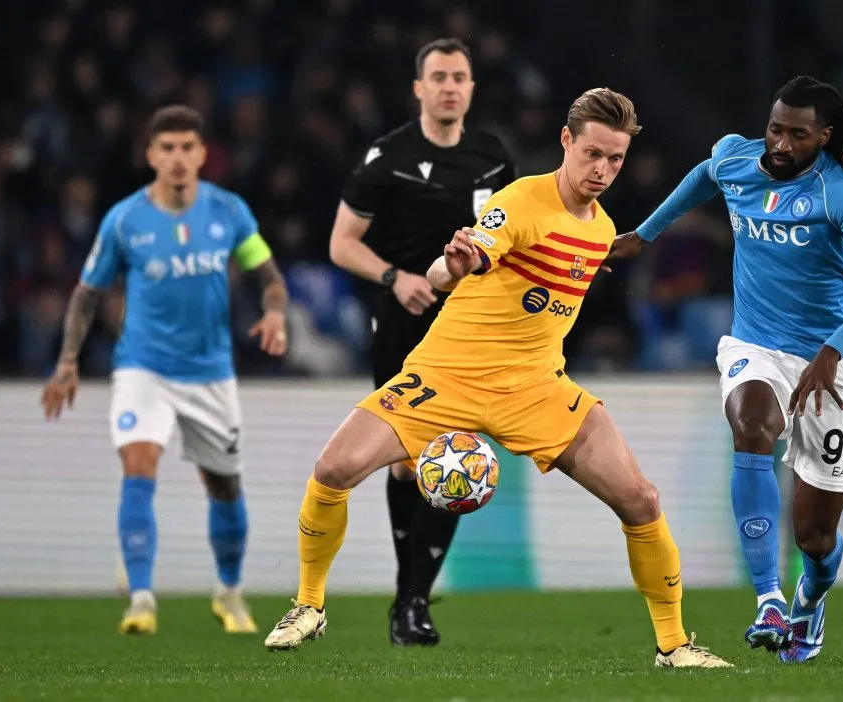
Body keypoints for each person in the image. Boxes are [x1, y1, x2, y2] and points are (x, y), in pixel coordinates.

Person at [263, 87, 731, 669]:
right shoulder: (520, 200)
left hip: (536, 388)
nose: (604, 170)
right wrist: (452, 264)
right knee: (334, 468)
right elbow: (455, 264)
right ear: (566, 141)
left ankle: (674, 645)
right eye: (593, 155)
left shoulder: (600, 228)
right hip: (448, 375)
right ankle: (309, 604)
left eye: (616, 159)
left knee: (641, 500)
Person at [607, 76, 843, 663]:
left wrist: (832, 352)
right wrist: (646, 234)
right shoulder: (737, 157)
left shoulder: (840, 196)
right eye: (775, 127)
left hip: (827, 362)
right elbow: (703, 176)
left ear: (824, 138)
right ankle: (768, 599)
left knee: (815, 539)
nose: (780, 142)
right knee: (751, 423)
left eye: (798, 134)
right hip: (755, 344)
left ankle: (808, 600)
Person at [40, 105, 289, 636]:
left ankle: (229, 592)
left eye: (187, 147)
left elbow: (269, 276)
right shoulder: (125, 219)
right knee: (139, 466)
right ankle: (142, 598)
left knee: (223, 486)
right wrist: (67, 362)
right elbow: (87, 295)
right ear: (151, 155)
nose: (177, 158)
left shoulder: (230, 212)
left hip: (211, 372)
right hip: (143, 367)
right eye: (167, 148)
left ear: (202, 154)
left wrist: (273, 312)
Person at [329, 37, 514, 646]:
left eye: (459, 76)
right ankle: (409, 599)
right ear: (418, 88)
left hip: (471, 326)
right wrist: (394, 276)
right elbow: (342, 243)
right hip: (404, 319)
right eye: (438, 77)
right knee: (408, 464)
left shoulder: (491, 157)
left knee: (453, 452)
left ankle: (412, 602)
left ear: (471, 87)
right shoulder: (388, 156)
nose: (449, 87)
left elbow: (509, 239)